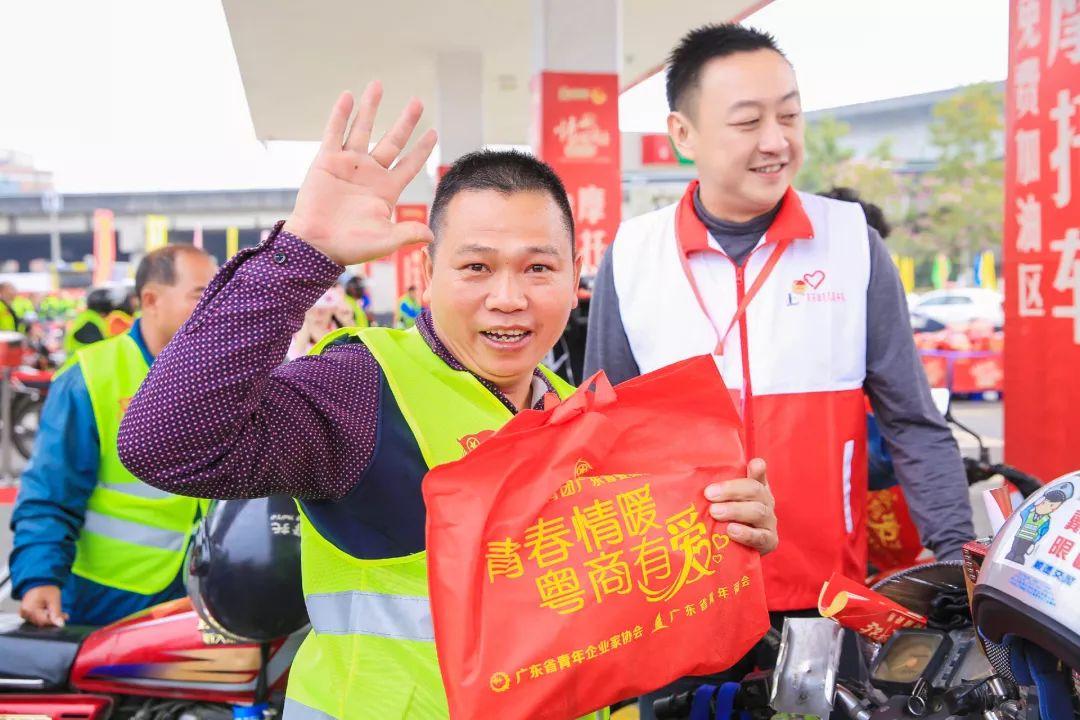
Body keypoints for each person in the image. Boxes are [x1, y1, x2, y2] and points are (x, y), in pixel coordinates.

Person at [116, 83, 779, 720]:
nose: (509, 298)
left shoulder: (589, 420)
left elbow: (627, 616)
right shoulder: (363, 388)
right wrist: (300, 255)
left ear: (574, 278)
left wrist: (727, 543)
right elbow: (167, 441)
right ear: (426, 274)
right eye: (476, 267)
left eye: (538, 268)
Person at [581, 25, 973, 716]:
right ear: (684, 133)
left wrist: (958, 558)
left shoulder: (851, 242)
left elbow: (914, 421)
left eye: (789, 115)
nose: (776, 140)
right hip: (678, 601)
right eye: (748, 120)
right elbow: (602, 431)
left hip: (824, 602)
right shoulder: (634, 254)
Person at [9, 244, 217, 627]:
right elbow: (51, 489)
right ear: (152, 299)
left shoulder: (219, 375)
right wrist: (39, 576)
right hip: (109, 595)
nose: (216, 305)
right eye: (202, 294)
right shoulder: (90, 377)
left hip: (203, 594)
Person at [63, 287, 114, 356]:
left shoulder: (88, 318)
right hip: (82, 365)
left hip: (81, 364)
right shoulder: (89, 323)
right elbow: (101, 349)